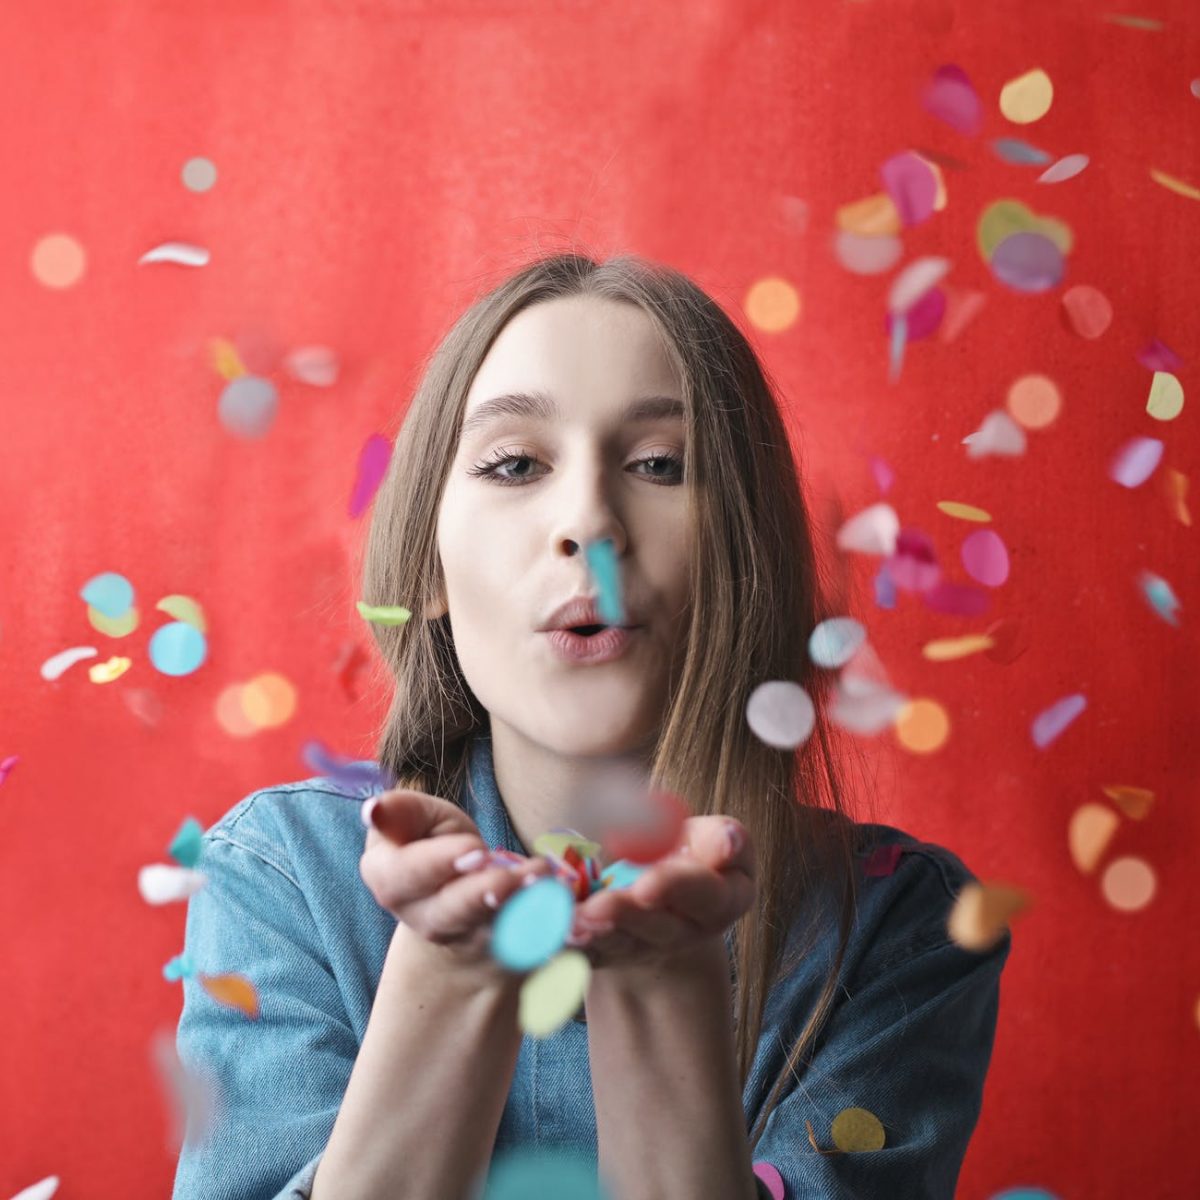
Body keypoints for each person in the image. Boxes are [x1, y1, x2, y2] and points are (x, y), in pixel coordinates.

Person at [170, 251, 1011, 1200]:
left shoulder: (900, 928)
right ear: (427, 570)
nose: (588, 521)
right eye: (515, 464)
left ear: (748, 556)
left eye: (661, 464)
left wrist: (665, 982)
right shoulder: (279, 875)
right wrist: (450, 972)